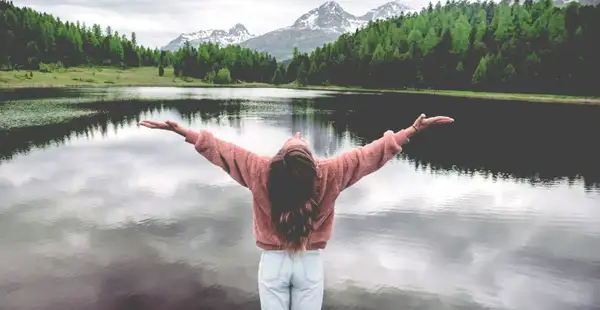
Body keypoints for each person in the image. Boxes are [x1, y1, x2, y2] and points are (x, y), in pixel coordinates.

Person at [139, 113, 454, 310]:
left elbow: (223, 153)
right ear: (310, 162)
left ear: (279, 157)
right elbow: (370, 155)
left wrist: (184, 132)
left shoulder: (260, 170)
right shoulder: (329, 172)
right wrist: (411, 131)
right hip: (309, 264)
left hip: (273, 264)